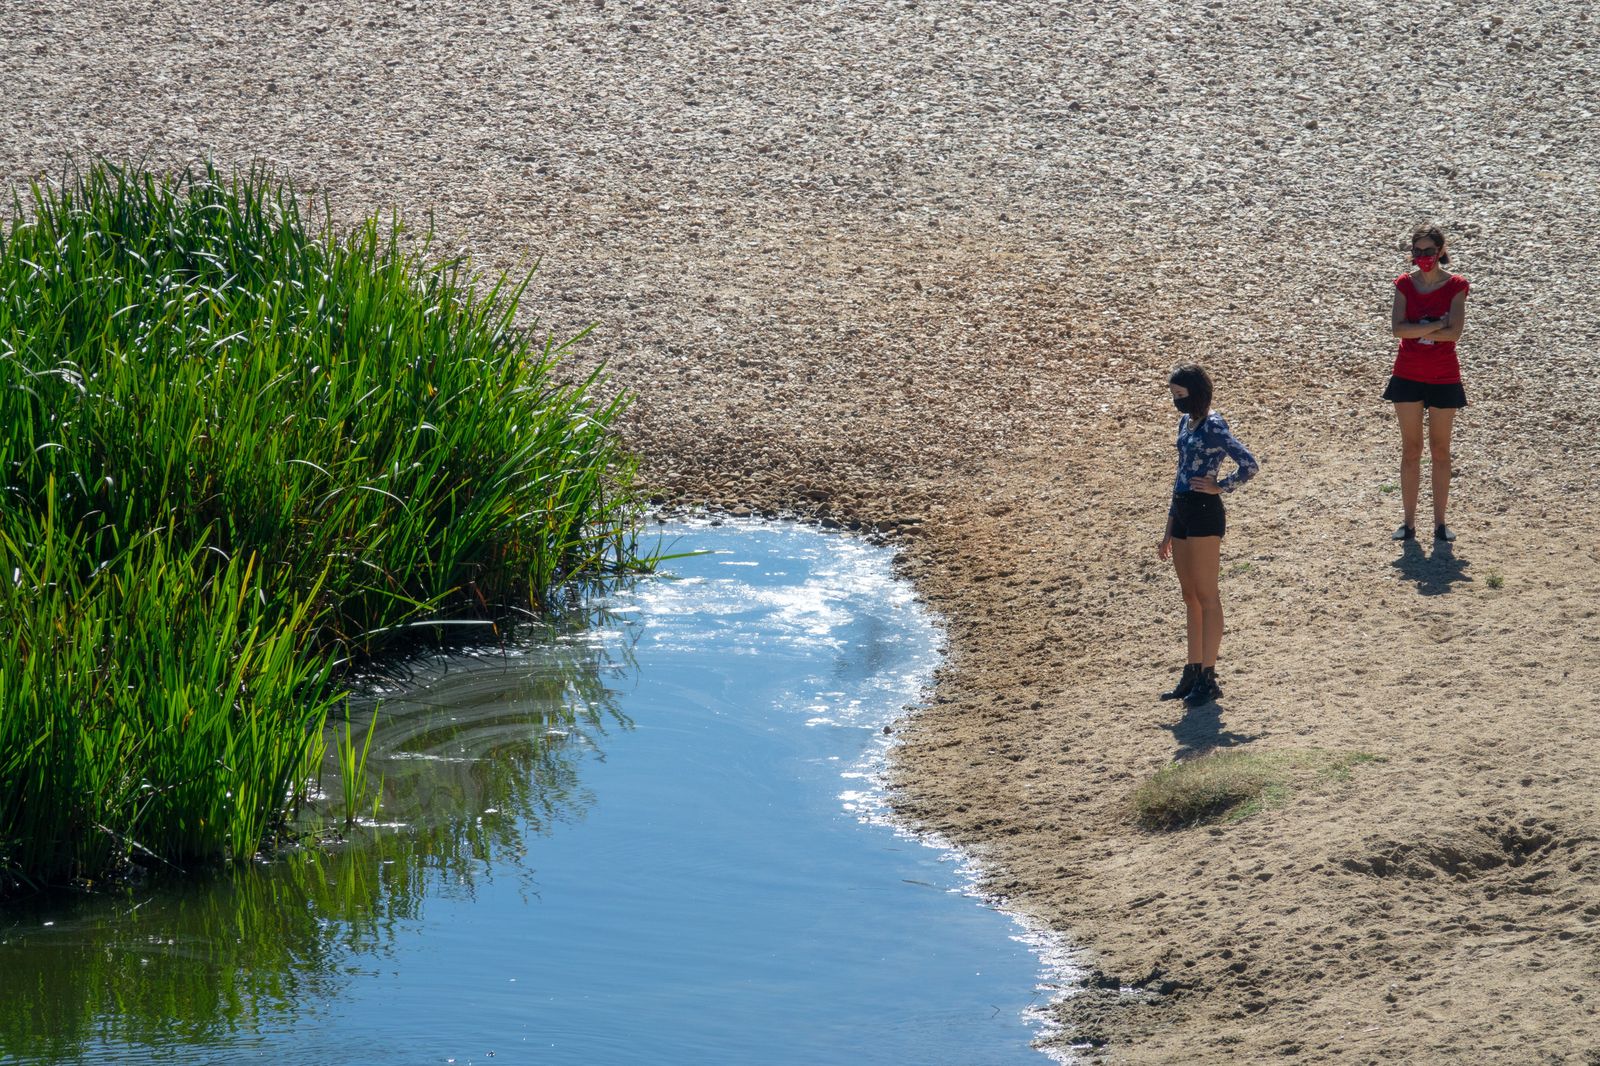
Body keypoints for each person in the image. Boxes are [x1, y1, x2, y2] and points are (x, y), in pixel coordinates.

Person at [1157, 364, 1259, 707]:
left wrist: (1221, 486)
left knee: (1207, 595)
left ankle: (1209, 676)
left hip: (1204, 511)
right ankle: (1193, 668)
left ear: (1197, 393)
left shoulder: (1215, 424)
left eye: (1180, 395)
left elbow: (1249, 464)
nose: (1176, 402)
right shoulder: (1185, 423)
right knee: (1190, 596)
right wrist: (1169, 527)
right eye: (1173, 395)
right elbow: (1180, 473)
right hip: (1184, 511)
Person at [1384, 225, 1470, 543]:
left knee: (1440, 449)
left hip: (1444, 376)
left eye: (1428, 252)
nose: (1423, 258)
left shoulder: (1457, 285)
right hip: (1407, 375)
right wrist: (1435, 324)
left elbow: (1455, 333)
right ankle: (1408, 523)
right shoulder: (1405, 284)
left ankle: (1440, 523)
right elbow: (1397, 329)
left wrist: (1417, 329)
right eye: (1417, 252)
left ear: (1441, 250)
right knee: (1411, 449)